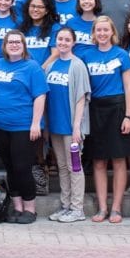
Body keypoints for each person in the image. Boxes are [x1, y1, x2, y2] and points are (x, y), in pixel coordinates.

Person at [0, 30, 48, 224]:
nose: (14, 44)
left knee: (22, 168)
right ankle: (17, 207)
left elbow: (40, 96)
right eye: (11, 42)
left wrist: (36, 123)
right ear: (5, 45)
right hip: (1, 125)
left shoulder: (32, 67)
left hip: (24, 127)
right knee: (9, 167)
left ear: (24, 45)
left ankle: (30, 208)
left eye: (18, 42)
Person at [84, 16, 130, 223]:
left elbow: (129, 87)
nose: (102, 34)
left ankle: (116, 207)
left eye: (106, 30)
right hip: (95, 108)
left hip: (117, 108)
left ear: (112, 32)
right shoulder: (86, 55)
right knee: (98, 161)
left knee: (118, 160)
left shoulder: (121, 55)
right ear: (94, 33)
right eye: (99, 30)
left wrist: (128, 115)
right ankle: (102, 207)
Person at [42, 27, 91, 223]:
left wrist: (77, 126)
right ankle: (65, 205)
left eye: (67, 40)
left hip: (71, 127)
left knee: (75, 167)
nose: (62, 42)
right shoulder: (52, 65)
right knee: (62, 167)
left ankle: (77, 209)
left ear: (73, 42)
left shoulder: (77, 65)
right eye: (60, 39)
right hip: (55, 125)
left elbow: (81, 98)